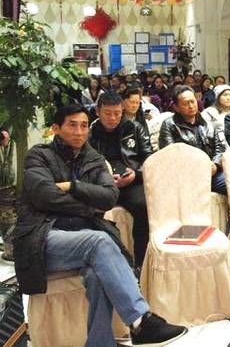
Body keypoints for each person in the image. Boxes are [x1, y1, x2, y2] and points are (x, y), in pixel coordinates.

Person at [13, 104, 187, 347]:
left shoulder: (93, 158)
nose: (79, 132)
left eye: (84, 125)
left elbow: (109, 197)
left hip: (81, 236)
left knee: (97, 273)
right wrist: (88, 207)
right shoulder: (39, 156)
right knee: (98, 241)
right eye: (72, 125)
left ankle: (100, 343)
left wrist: (73, 186)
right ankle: (141, 321)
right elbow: (44, 195)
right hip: (42, 237)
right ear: (56, 128)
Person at [89, 92, 152, 268]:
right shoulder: (90, 133)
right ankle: (106, 263)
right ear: (98, 111)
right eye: (107, 113)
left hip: (131, 181)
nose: (113, 118)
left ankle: (141, 264)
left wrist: (136, 174)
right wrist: (104, 178)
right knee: (90, 208)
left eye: (117, 113)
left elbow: (149, 158)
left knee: (144, 206)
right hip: (103, 183)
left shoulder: (134, 128)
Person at [159, 85, 227, 194]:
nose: (191, 106)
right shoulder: (169, 124)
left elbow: (220, 148)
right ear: (176, 107)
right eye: (186, 103)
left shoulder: (207, 122)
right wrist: (196, 168)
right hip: (186, 175)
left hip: (211, 172)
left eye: (193, 101)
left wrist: (216, 165)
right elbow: (169, 155)